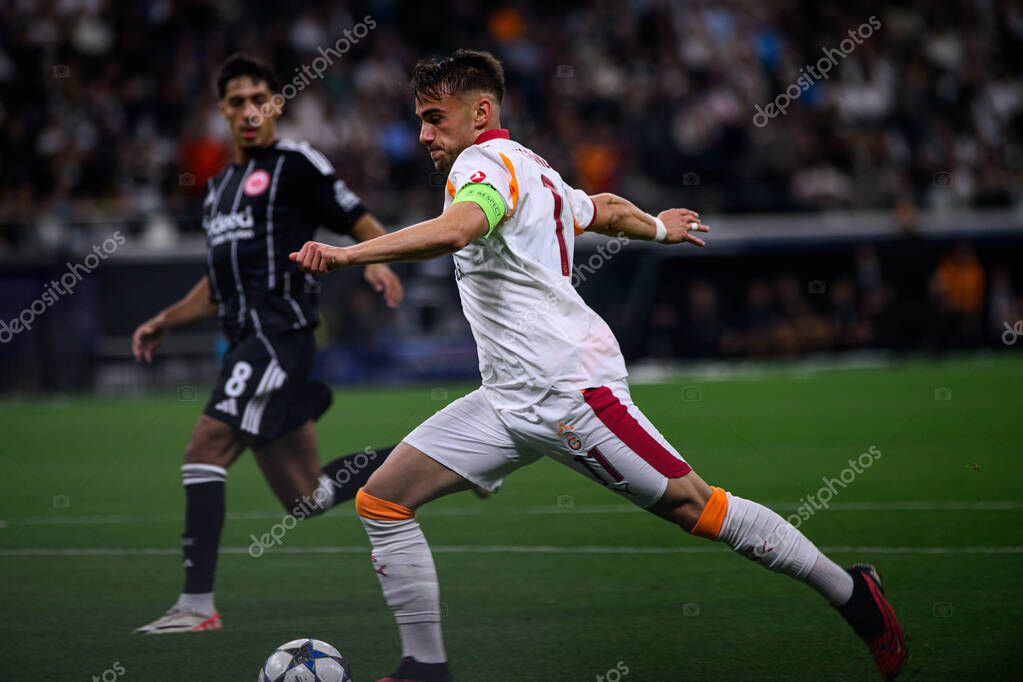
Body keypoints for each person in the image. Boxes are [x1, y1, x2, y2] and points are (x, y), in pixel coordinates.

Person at [290, 49, 907, 681]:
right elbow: (603, 209)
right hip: (508, 400)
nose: (422, 134)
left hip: (570, 394)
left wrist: (345, 257)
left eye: (433, 118)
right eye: (419, 119)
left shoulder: (481, 166)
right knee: (383, 502)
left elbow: (458, 230)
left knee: (693, 506)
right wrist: (661, 231)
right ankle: (426, 668)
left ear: (480, 113)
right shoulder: (532, 168)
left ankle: (852, 593)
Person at [132, 53, 404, 634]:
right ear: (223, 112)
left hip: (278, 339)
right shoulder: (218, 190)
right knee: (305, 497)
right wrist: (164, 320)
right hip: (241, 344)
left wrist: (379, 262)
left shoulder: (296, 164)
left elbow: (355, 216)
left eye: (261, 98)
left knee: (204, 447)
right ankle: (433, 458)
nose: (250, 111)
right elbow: (215, 287)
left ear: (276, 104)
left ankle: (196, 608)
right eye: (237, 102)